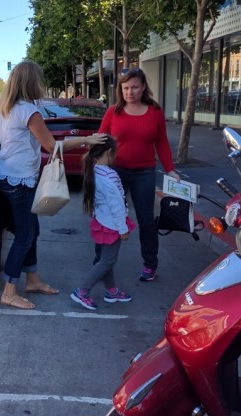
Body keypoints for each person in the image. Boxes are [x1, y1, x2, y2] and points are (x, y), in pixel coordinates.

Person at [0, 59, 107, 310]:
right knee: (25, 236)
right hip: (20, 181)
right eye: (39, 80)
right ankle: (9, 291)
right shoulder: (29, 111)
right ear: (31, 82)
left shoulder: (6, 107)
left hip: (5, 176)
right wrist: (87, 139)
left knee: (32, 230)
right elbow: (52, 146)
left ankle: (32, 280)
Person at [98, 67, 179, 282]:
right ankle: (101, 261)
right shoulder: (113, 112)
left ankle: (150, 264)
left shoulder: (155, 112)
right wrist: (95, 166)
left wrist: (170, 169)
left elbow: (161, 143)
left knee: (146, 220)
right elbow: (100, 139)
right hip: (116, 171)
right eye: (125, 88)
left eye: (134, 87)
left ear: (143, 87)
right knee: (108, 216)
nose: (130, 92)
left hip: (144, 172)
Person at [70, 136, 134, 310]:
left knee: (106, 259)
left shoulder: (95, 171)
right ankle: (82, 291)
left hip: (102, 221)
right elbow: (117, 205)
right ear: (109, 152)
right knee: (107, 261)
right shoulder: (110, 176)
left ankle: (111, 291)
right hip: (112, 224)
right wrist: (123, 228)